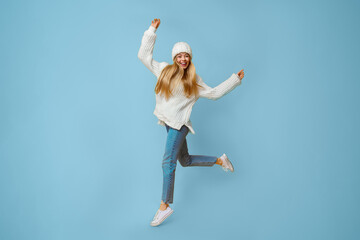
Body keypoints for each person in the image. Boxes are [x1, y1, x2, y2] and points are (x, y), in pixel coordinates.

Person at [137, 18, 245, 227]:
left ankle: (164, 206)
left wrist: (235, 80)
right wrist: (151, 31)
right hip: (169, 123)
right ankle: (220, 160)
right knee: (184, 161)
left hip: (180, 126)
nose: (183, 58)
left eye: (186, 55)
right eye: (179, 55)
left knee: (167, 162)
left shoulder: (194, 81)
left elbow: (213, 94)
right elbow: (143, 55)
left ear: (190, 58)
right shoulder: (163, 70)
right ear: (174, 58)